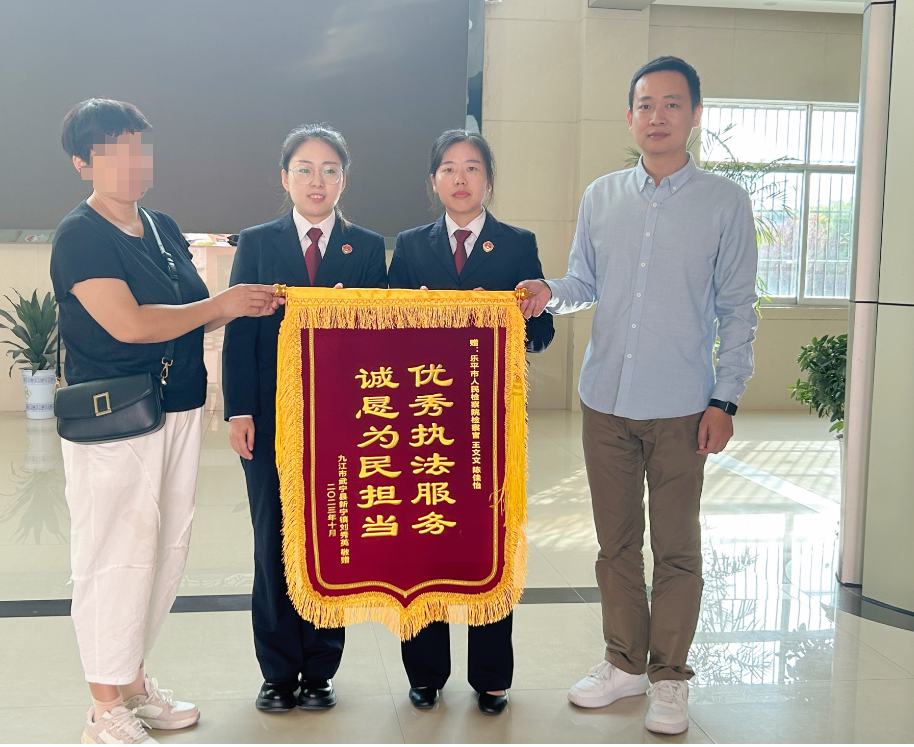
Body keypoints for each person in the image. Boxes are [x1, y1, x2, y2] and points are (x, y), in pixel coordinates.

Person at [517, 56, 758, 735]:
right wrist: (549, 293)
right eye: (646, 104)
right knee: (615, 545)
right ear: (629, 117)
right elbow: (584, 283)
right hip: (606, 401)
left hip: (683, 405)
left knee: (676, 549)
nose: (658, 116)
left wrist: (725, 400)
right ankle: (623, 664)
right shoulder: (601, 196)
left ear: (695, 115)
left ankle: (669, 678)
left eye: (672, 104)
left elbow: (739, 309)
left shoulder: (724, 203)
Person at [51, 98, 279, 744]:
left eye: (137, 147)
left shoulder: (162, 226)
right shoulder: (80, 235)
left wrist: (240, 307)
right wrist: (224, 303)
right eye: (112, 150)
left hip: (175, 407)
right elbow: (130, 323)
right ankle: (104, 708)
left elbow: (188, 314)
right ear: (83, 162)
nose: (130, 161)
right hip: (116, 419)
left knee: (161, 550)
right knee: (114, 553)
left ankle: (132, 683)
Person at [388, 129, 554, 716]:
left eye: (472, 168)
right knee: (424, 538)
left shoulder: (517, 244)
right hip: (424, 415)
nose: (460, 179)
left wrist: (520, 310)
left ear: (489, 179)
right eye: (449, 169)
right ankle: (425, 672)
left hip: (492, 419)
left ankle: (491, 676)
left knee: (490, 543)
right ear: (433, 181)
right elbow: (386, 328)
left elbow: (541, 332)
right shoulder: (411, 245)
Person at [222, 124, 388, 713]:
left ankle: (320, 669)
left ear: (344, 179)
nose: (317, 181)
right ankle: (276, 672)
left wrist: (349, 315)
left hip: (343, 420)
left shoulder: (366, 247)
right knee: (272, 541)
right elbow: (240, 332)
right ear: (285, 178)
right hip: (269, 418)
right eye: (305, 169)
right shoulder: (257, 243)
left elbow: (383, 336)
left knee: (331, 540)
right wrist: (239, 410)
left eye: (329, 170)